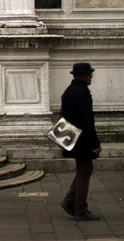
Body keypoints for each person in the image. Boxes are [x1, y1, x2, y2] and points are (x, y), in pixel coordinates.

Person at [60, 62, 102, 221]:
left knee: (83, 170)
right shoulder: (82, 92)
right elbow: (87, 120)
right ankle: (80, 208)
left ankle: (70, 201)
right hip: (83, 139)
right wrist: (95, 143)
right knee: (85, 171)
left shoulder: (69, 91)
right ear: (84, 75)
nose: (91, 76)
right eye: (90, 74)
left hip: (72, 137)